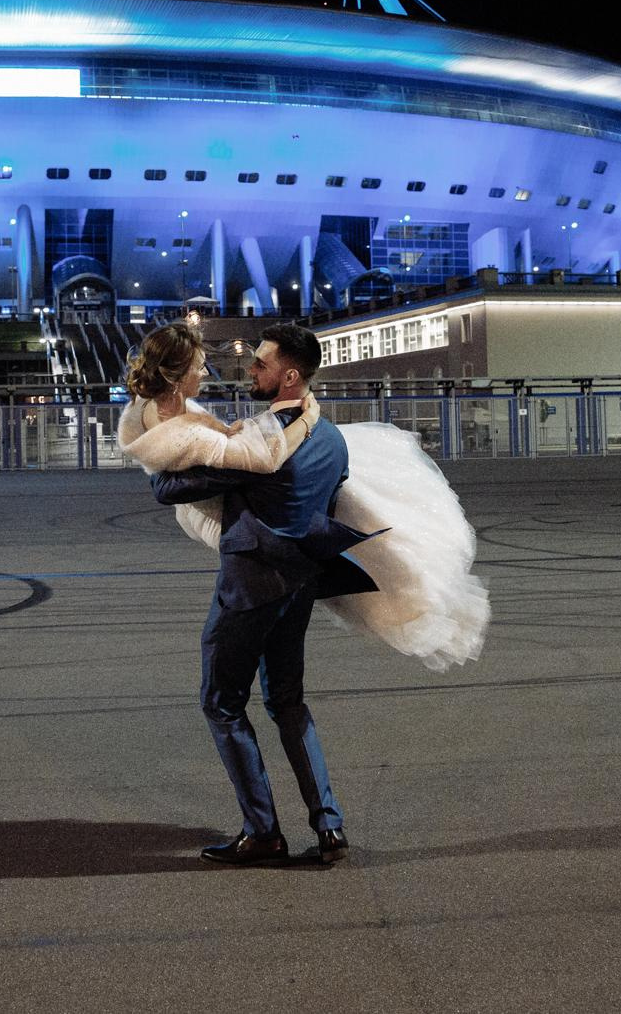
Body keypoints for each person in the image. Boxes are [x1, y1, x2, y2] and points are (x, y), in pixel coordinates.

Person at [119, 323, 488, 867]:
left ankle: (263, 832)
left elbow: (169, 487)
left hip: (250, 585)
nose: (251, 370)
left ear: (289, 375)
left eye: (262, 363)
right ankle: (328, 823)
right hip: (300, 584)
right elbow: (332, 496)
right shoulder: (331, 438)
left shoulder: (259, 443)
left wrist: (166, 451)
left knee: (221, 703)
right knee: (287, 701)